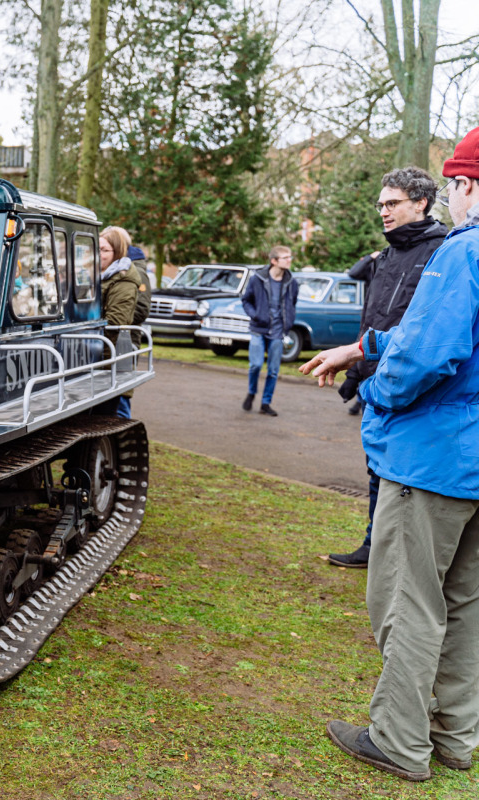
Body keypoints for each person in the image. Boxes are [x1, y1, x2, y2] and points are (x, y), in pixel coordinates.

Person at [301, 125, 479, 782]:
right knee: (465, 603)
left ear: (463, 185)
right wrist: (366, 347)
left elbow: (430, 352)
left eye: (458, 184)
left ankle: (400, 740)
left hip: (433, 459)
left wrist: (378, 395)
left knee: (409, 603)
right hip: (473, 466)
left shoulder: (463, 252)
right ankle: (455, 737)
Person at [328, 167, 448, 569]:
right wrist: (353, 373)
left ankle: (399, 555)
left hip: (413, 383)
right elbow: (372, 317)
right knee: (375, 468)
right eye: (381, 204)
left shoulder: (443, 251)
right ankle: (373, 546)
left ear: (421, 203)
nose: (383, 211)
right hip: (373, 381)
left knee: (405, 477)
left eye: (392, 203)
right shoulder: (387, 255)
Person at [241, 246, 297, 416]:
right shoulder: (257, 279)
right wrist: (255, 315)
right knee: (256, 365)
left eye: (290, 257)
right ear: (274, 261)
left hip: (278, 332)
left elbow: (292, 303)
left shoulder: (291, 282)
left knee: (273, 371)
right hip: (259, 329)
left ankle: (266, 403)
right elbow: (246, 300)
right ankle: (251, 392)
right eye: (285, 257)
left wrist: (289, 321)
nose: (289, 260)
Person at [98, 226, 142, 418]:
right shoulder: (98, 276)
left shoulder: (123, 279)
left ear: (117, 253)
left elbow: (117, 320)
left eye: (104, 250)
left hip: (113, 356)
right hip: (99, 355)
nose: (99, 254)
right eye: (96, 249)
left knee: (116, 415)